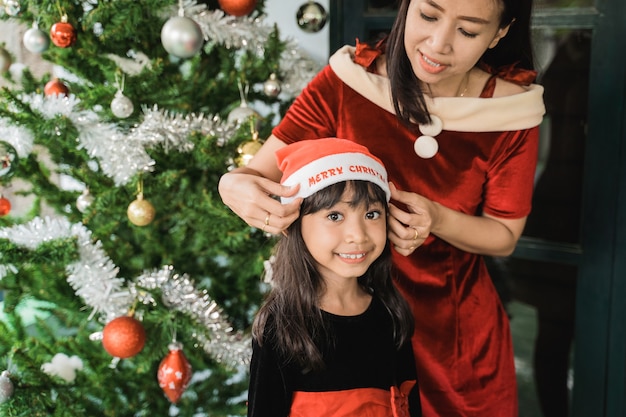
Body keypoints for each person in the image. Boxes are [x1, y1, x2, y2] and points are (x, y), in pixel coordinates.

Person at [220, 0, 545, 415]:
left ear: (500, 33)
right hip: (338, 319)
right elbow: (256, 176)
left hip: (456, 336)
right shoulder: (348, 83)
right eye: (428, 16)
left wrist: (439, 218)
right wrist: (231, 184)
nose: (438, 43)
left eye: (468, 31)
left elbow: (503, 237)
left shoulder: (511, 112)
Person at [247, 138, 421, 417]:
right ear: (293, 222)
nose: (359, 235)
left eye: (372, 214)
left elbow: (410, 405)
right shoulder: (281, 326)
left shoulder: (390, 313)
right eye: (335, 216)